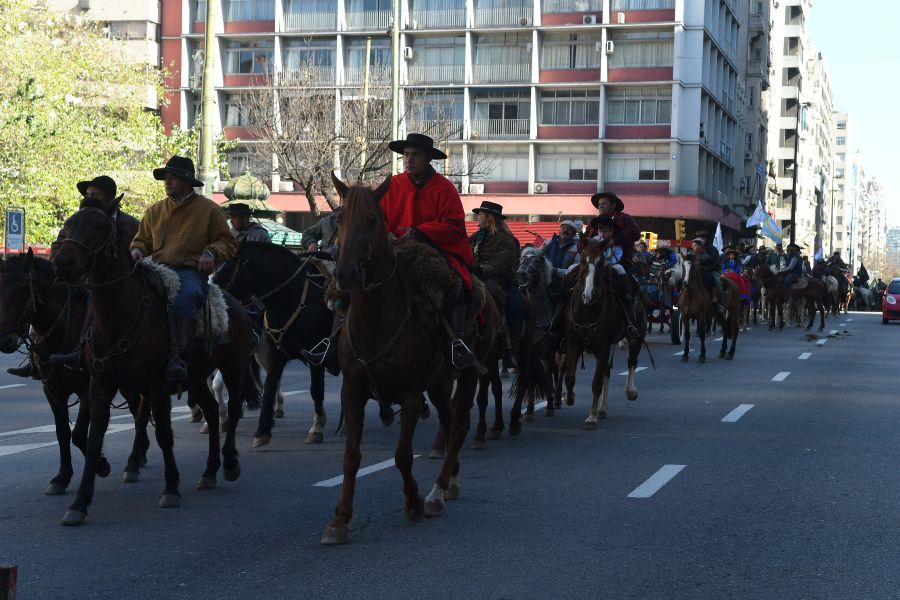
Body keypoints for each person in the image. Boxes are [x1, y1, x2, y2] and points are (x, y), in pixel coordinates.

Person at [304, 133, 476, 372]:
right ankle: (332, 342)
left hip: (432, 250)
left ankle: (455, 343)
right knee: (345, 284)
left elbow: (454, 225)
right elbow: (375, 221)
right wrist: (388, 237)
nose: (409, 159)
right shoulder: (393, 186)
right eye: (406, 155)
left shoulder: (445, 189)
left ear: (428, 158)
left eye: (415, 155)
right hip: (393, 248)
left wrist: (417, 232)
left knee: (454, 286)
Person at [8, 176, 139, 378]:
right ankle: (35, 356)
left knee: (92, 302)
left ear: (109, 198)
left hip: (108, 283)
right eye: (88, 194)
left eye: (95, 194)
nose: (89, 197)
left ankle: (82, 349)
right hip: (76, 277)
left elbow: (133, 251)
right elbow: (60, 243)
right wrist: (59, 260)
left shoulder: (128, 223)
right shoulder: (77, 220)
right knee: (42, 298)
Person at [130, 156, 236, 383]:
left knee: (187, 296)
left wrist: (211, 253)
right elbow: (141, 242)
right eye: (165, 177)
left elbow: (228, 243)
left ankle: (180, 356)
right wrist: (137, 251)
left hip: (188, 271)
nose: (167, 181)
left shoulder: (209, 210)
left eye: (173, 177)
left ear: (187, 181)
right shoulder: (154, 211)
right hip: (155, 268)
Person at [469, 201, 523, 372]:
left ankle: (511, 350)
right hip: (474, 277)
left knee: (515, 308)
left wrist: (482, 269)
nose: (477, 217)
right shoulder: (476, 237)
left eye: (480, 214)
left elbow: (506, 265)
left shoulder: (506, 239)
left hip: (501, 281)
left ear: (490, 218)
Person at [585, 192, 641, 339]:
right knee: (573, 279)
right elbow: (584, 240)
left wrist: (614, 240)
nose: (600, 206)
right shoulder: (593, 223)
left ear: (613, 205)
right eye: (599, 204)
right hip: (594, 263)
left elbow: (635, 233)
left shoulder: (624, 218)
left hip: (619, 262)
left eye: (604, 203)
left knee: (626, 290)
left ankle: (630, 322)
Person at [690, 237, 724, 312]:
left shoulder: (704, 254)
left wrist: (700, 265)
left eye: (695, 245)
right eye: (693, 245)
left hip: (704, 272)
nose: (693, 246)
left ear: (700, 246)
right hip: (694, 273)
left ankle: (715, 297)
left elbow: (707, 262)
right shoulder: (692, 254)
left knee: (711, 278)